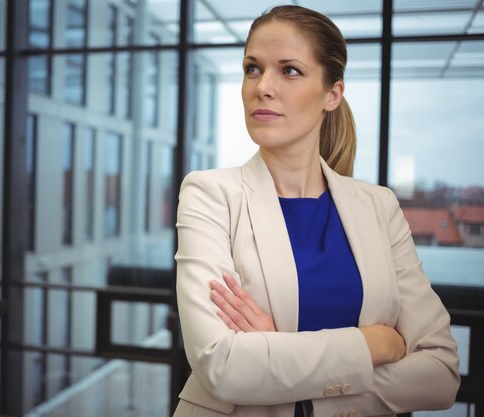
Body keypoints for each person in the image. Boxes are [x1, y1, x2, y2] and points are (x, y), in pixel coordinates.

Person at [173, 5, 460, 417]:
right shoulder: (209, 194)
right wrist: (373, 344)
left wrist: (277, 356)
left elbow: (440, 374)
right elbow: (223, 366)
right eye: (252, 68)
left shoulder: (379, 207)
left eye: (289, 70)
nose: (262, 87)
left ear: (332, 94)